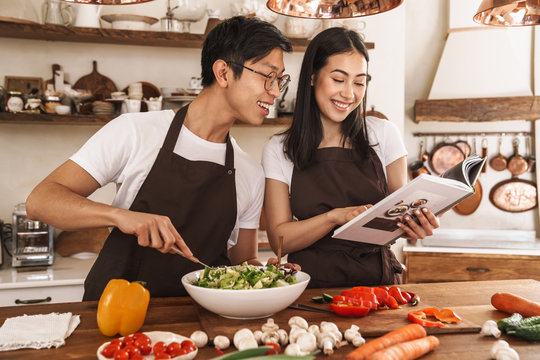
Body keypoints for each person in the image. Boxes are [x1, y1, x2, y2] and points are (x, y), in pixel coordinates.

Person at [25, 16, 292, 300]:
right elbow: (40, 201)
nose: (275, 92)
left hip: (199, 324)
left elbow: (241, 263)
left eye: (280, 80)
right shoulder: (135, 132)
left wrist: (268, 272)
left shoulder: (249, 171)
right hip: (116, 317)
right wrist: (121, 217)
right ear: (223, 73)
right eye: (268, 76)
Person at [262, 27, 439, 289]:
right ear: (312, 77)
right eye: (338, 79)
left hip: (378, 287)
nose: (349, 94)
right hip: (309, 288)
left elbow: (401, 215)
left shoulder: (383, 134)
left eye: (359, 82)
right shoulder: (279, 148)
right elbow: (280, 239)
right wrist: (334, 218)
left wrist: (417, 224)